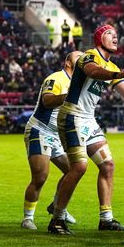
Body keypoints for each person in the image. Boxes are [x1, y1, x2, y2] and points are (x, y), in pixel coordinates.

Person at [48, 25, 124, 235]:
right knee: (79, 167)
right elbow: (92, 71)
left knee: (108, 165)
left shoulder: (111, 66)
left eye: (116, 34)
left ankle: (106, 219)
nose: (115, 36)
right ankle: (57, 219)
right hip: (72, 116)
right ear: (99, 39)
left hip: (88, 120)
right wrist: (117, 72)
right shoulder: (88, 56)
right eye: (109, 34)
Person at [22, 51, 82, 229]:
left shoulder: (78, 83)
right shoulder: (56, 79)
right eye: (79, 58)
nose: (83, 60)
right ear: (68, 63)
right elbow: (47, 101)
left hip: (58, 135)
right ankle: (28, 218)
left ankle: (57, 205)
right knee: (40, 176)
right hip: (40, 130)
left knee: (74, 170)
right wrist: (69, 96)